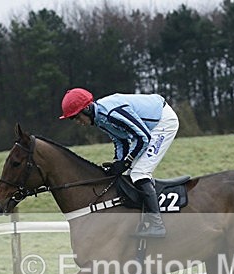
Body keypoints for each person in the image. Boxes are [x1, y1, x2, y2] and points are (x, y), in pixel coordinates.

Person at [59, 88, 179, 238]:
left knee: (139, 173)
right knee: (130, 175)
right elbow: (120, 140)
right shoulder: (100, 118)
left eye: (77, 117)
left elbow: (142, 138)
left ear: (87, 109)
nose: (78, 122)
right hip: (147, 129)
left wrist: (126, 162)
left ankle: (157, 225)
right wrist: (118, 162)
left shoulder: (111, 113)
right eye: (73, 119)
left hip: (163, 122)